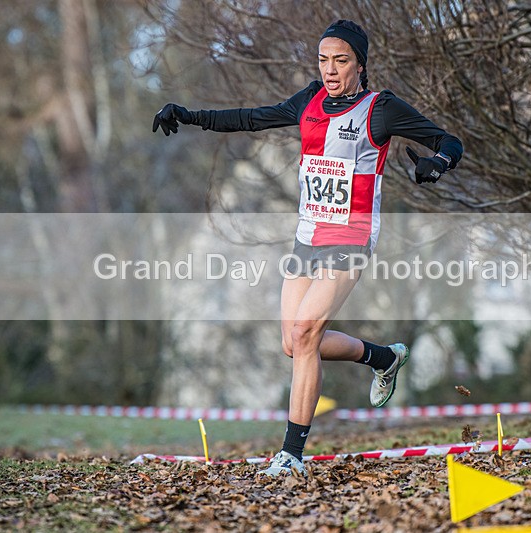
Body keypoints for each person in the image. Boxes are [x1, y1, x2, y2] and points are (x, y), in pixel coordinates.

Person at [153, 19, 463, 477]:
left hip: (351, 237)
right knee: (292, 344)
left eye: (341, 61)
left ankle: (292, 454)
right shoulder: (309, 100)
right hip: (308, 236)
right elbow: (249, 117)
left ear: (361, 65)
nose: (331, 70)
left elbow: (449, 141)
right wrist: (188, 114)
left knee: (304, 335)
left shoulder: (381, 108)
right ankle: (383, 357)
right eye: (324, 60)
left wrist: (436, 164)